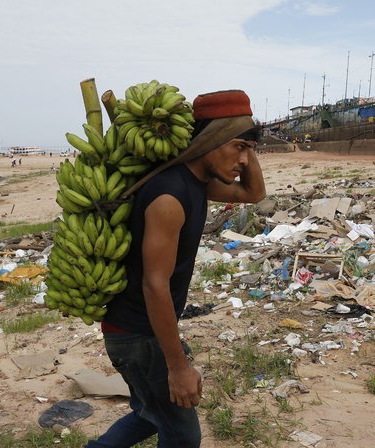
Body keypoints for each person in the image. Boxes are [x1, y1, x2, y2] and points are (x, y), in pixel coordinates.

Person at [86, 90, 265, 448]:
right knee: (183, 435)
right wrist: (179, 367)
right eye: (238, 147)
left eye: (248, 149)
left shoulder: (197, 182)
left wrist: (247, 143)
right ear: (210, 140)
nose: (244, 159)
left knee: (148, 413)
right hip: (137, 333)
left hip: (139, 328)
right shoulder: (170, 196)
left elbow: (253, 193)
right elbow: (155, 285)